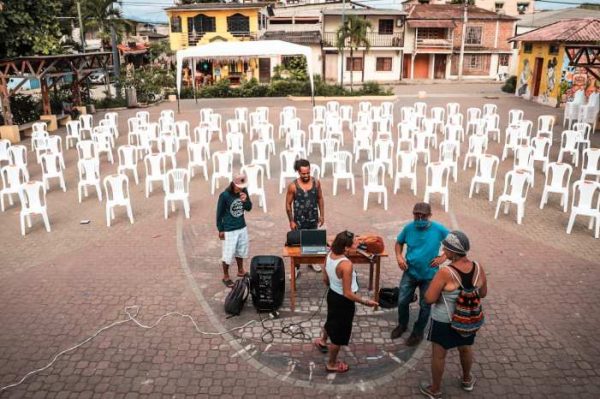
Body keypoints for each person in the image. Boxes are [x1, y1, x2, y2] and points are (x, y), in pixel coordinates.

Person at [419, 231, 487, 399]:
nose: (443, 249)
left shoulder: (446, 272)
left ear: (453, 251)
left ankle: (435, 389)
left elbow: (429, 299)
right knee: (465, 349)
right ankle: (466, 379)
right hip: (467, 319)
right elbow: (483, 293)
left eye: (446, 248)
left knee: (439, 355)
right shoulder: (478, 267)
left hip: (445, 319)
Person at [314, 230, 378, 373]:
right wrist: (365, 301)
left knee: (331, 320)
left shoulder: (329, 254)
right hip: (343, 302)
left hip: (332, 296)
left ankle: (323, 341)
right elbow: (348, 293)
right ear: (346, 248)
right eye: (355, 243)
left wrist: (334, 285)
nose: (358, 244)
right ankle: (331, 364)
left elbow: (325, 279)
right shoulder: (346, 265)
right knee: (338, 336)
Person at [391, 202, 450, 346]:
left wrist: (443, 257)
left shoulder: (438, 229)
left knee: (425, 305)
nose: (419, 219)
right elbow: (399, 243)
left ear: (429, 216)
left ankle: (417, 332)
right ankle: (402, 325)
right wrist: (399, 257)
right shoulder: (409, 228)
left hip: (429, 276)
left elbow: (453, 243)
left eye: (423, 216)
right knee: (402, 301)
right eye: (416, 215)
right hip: (410, 272)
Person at [285, 159, 325, 274]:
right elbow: (288, 204)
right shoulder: (293, 186)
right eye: (303, 173)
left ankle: (312, 262)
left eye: (308, 172)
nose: (306, 175)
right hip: (299, 221)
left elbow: (320, 198)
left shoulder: (316, 183)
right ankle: (296, 267)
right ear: (298, 172)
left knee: (312, 242)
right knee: (298, 246)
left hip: (313, 218)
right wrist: (291, 221)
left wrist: (322, 215)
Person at [216, 173, 252, 288]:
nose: (241, 188)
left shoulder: (244, 192)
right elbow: (219, 214)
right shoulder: (225, 196)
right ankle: (225, 276)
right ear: (233, 184)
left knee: (241, 249)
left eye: (242, 186)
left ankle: (240, 270)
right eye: (239, 186)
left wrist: (245, 201)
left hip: (242, 226)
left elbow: (249, 208)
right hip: (229, 229)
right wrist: (220, 229)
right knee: (228, 253)